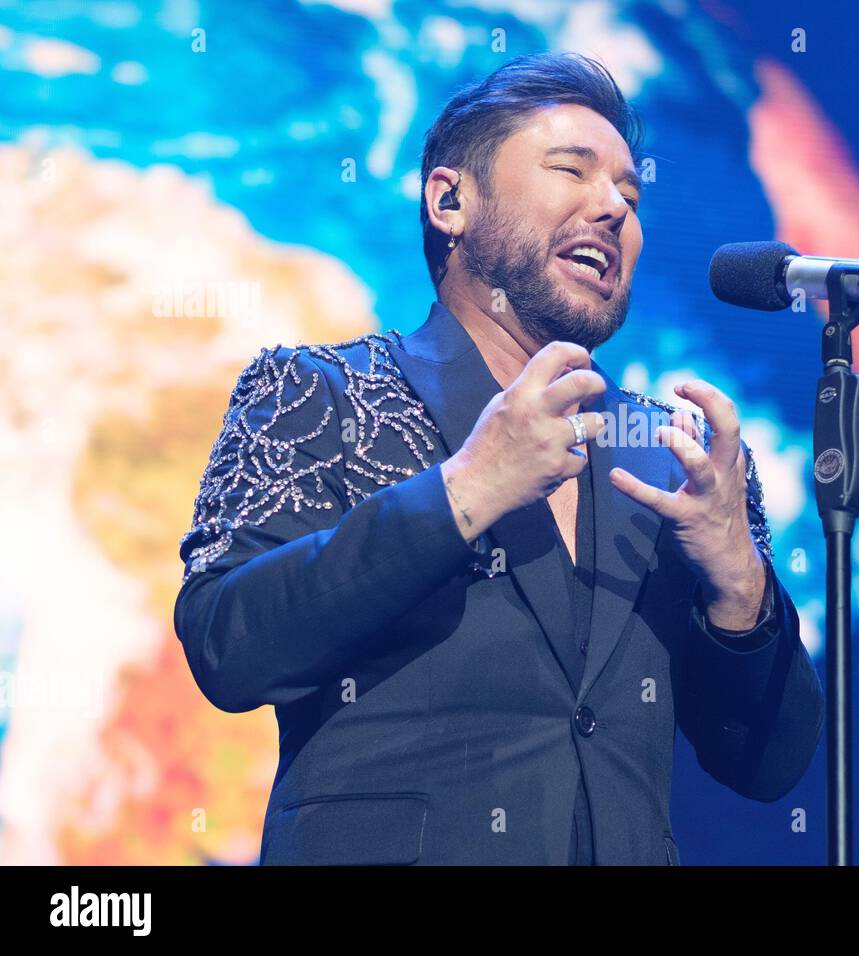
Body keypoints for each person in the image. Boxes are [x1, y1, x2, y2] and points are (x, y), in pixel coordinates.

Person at [174, 51, 824, 866]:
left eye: (629, 192)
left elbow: (766, 764)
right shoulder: (322, 394)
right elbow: (227, 649)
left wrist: (740, 587)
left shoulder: (673, 460)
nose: (613, 208)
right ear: (450, 200)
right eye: (572, 171)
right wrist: (465, 491)